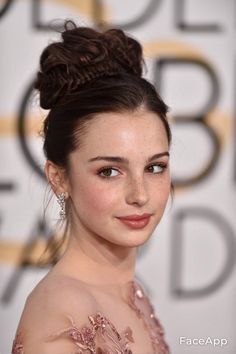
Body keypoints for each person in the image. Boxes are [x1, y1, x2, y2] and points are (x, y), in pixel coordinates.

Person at [12, 20, 172, 354]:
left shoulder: (130, 292)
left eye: (155, 167)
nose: (140, 195)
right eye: (110, 171)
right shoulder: (61, 316)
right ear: (60, 177)